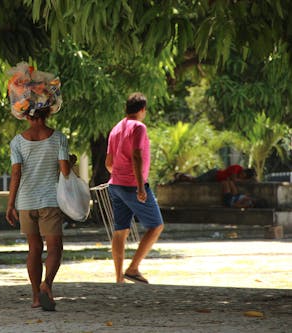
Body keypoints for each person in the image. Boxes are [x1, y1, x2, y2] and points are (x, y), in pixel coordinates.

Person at [5, 62, 69, 311]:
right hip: (50, 201)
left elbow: (15, 174)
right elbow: (64, 171)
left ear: (25, 113)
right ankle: (47, 287)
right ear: (48, 111)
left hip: (25, 202)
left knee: (34, 249)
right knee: (55, 248)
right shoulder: (59, 138)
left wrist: (10, 204)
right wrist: (70, 162)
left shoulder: (17, 142)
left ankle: (34, 297)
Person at [105, 92, 164, 284]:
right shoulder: (138, 127)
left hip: (116, 184)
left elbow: (109, 163)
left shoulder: (116, 129)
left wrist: (119, 174)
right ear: (142, 110)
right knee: (156, 225)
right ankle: (133, 268)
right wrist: (140, 186)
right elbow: (137, 155)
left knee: (120, 230)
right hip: (131, 185)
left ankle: (118, 278)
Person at [173, 165, 256, 183]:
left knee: (197, 180)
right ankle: (181, 176)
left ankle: (181, 177)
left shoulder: (241, 177)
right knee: (196, 180)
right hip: (214, 174)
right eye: (243, 175)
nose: (241, 176)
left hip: (216, 179)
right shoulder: (237, 168)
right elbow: (234, 179)